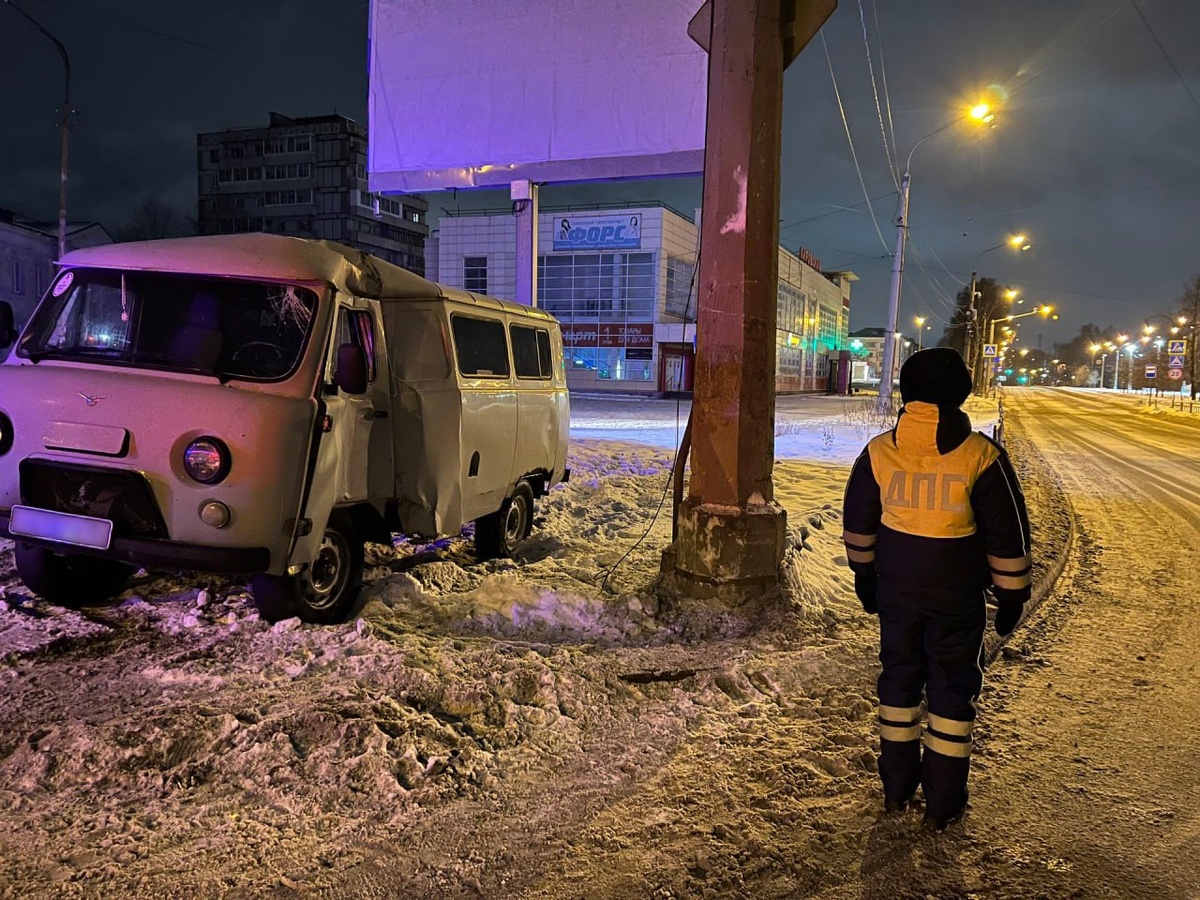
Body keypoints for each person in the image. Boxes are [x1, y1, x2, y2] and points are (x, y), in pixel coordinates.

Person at [841, 347, 1032, 832]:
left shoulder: (880, 452)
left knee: (899, 681)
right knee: (950, 690)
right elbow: (1005, 535)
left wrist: (864, 574)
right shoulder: (981, 456)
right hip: (956, 599)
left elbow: (859, 522)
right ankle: (943, 804)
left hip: (897, 594)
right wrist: (1012, 596)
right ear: (960, 395)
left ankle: (896, 789)